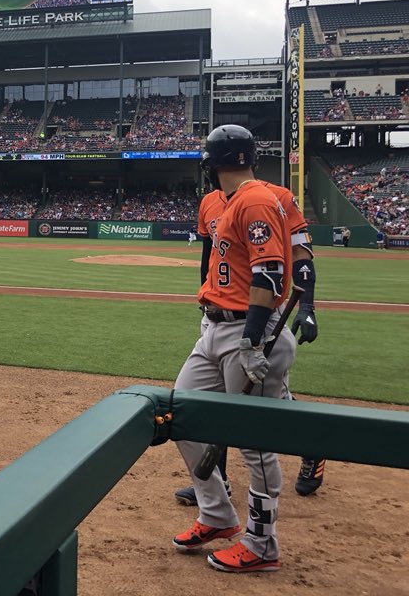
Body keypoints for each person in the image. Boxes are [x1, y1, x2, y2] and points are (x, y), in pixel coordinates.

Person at [171, 125, 296, 574]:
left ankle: (263, 545)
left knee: (254, 445)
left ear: (214, 164)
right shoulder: (232, 201)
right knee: (182, 415)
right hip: (217, 330)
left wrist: (251, 341)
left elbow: (268, 273)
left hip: (249, 334)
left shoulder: (256, 199)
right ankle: (218, 515)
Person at [174, 177, 325, 507]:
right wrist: (208, 301)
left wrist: (308, 307)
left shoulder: (278, 197)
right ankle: (221, 482)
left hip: (258, 317)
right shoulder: (209, 202)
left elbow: (301, 255)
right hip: (219, 317)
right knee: (214, 402)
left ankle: (313, 446)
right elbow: (209, 258)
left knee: (267, 411)